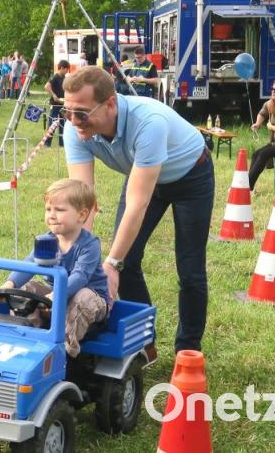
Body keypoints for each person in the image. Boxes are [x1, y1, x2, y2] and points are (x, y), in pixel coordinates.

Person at [62, 66, 214, 353]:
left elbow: (137, 203)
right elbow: (83, 202)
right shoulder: (75, 128)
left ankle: (187, 350)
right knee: (127, 261)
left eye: (81, 113)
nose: (73, 120)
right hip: (142, 174)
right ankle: (145, 343)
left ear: (110, 104)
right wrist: (81, 255)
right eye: (66, 111)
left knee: (190, 268)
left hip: (191, 176)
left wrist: (110, 264)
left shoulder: (148, 122)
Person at [0, 179, 109, 357]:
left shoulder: (89, 245)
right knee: (27, 288)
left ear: (81, 215)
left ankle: (64, 350)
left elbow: (80, 276)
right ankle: (29, 335)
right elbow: (29, 264)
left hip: (91, 301)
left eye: (59, 210)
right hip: (53, 296)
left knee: (83, 296)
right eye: (48, 209)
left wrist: (58, 294)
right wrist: (10, 283)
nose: (52, 215)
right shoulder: (47, 241)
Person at [44, 60, 69, 147]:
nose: (67, 71)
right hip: (55, 105)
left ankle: (62, 144)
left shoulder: (64, 77)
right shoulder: (55, 77)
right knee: (52, 124)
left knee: (63, 125)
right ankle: (47, 144)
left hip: (63, 105)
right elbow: (46, 86)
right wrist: (54, 95)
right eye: (66, 69)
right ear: (61, 68)